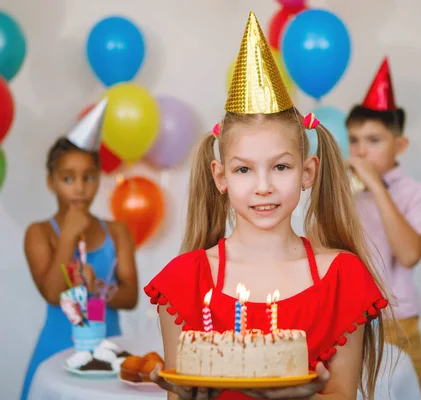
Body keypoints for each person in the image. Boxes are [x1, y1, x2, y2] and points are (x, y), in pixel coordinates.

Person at [144, 12, 392, 400]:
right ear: (220, 177)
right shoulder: (185, 282)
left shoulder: (342, 279)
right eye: (243, 169)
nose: (263, 187)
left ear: (308, 171)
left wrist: (297, 395)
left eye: (280, 166)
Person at [20, 101, 139, 400]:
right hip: (55, 354)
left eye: (89, 177)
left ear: (99, 179)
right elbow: (51, 293)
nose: (80, 188)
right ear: (52, 182)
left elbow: (131, 297)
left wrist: (96, 286)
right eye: (68, 178)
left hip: (107, 357)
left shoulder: (116, 231)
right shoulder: (40, 233)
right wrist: (69, 235)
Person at [346, 57, 421, 399]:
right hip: (351, 325)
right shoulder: (345, 192)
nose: (361, 150)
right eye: (354, 140)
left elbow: (410, 254)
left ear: (400, 146)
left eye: (374, 140)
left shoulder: (416, 194)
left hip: (398, 326)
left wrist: (376, 186)